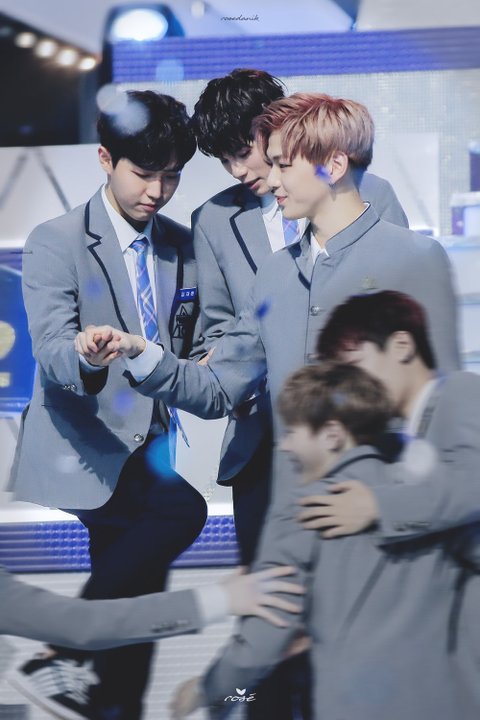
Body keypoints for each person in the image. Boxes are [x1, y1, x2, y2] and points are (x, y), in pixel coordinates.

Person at [78, 92, 459, 713]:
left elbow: (450, 425)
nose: (261, 179)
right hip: (292, 506)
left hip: (397, 537)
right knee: (276, 676)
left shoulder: (413, 258)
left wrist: (386, 504)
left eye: (280, 164)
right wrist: (144, 355)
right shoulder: (277, 277)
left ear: (333, 165)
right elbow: (222, 382)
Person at [9, 90, 207, 720]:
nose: (157, 190)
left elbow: (195, 339)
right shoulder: (56, 240)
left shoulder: (183, 245)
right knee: (183, 512)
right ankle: (62, 643)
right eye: (144, 173)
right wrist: (88, 357)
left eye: (172, 175)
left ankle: (110, 703)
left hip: (153, 444)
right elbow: (50, 349)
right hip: (85, 444)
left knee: (139, 599)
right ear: (105, 159)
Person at [170, 361, 480, 720]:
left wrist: (209, 691)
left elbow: (262, 640)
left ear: (332, 435)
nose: (285, 446)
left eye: (292, 432)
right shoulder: (426, 499)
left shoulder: (304, 511)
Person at [190, 68, 409, 568]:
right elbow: (217, 329)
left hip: (356, 431)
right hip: (263, 440)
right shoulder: (213, 221)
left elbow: (398, 308)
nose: (236, 170)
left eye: (241, 151)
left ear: (274, 127)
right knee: (269, 592)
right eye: (223, 160)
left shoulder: (370, 193)